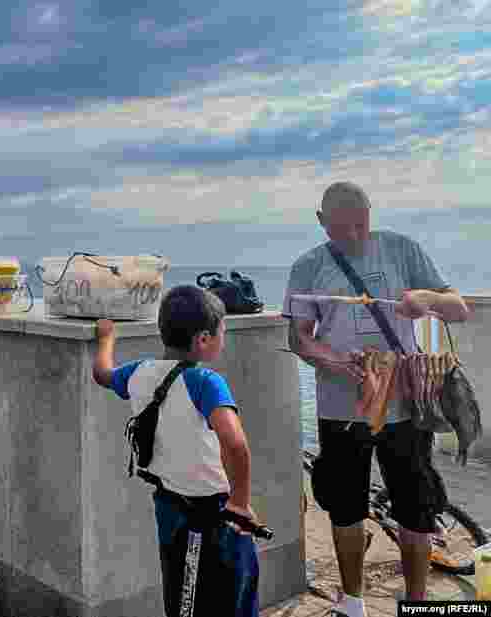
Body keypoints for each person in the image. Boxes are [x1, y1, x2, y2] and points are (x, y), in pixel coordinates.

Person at [283, 181, 469, 615]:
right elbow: (299, 338)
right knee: (345, 507)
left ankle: (418, 602)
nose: (351, 236)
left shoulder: (402, 249)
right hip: (340, 411)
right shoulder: (307, 267)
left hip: (404, 408)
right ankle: (353, 603)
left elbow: (459, 308)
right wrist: (333, 360)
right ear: (320, 221)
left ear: (371, 214)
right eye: (340, 228)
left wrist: (426, 298)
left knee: (416, 505)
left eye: (360, 225)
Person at [93, 285, 260, 617]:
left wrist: (106, 337)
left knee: (182, 595)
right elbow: (236, 444)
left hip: (169, 507)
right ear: (202, 339)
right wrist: (240, 504)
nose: (223, 338)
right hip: (215, 512)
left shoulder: (139, 373)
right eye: (221, 331)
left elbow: (102, 374)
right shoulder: (205, 382)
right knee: (235, 596)